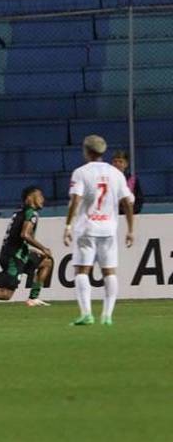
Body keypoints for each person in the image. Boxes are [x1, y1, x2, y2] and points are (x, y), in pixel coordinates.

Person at [65, 135, 135, 326]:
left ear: (86, 151)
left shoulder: (80, 172)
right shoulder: (116, 173)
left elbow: (76, 200)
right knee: (109, 272)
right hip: (109, 229)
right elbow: (128, 202)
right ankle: (107, 315)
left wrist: (68, 225)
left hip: (87, 228)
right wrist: (130, 229)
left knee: (81, 271)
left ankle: (86, 313)